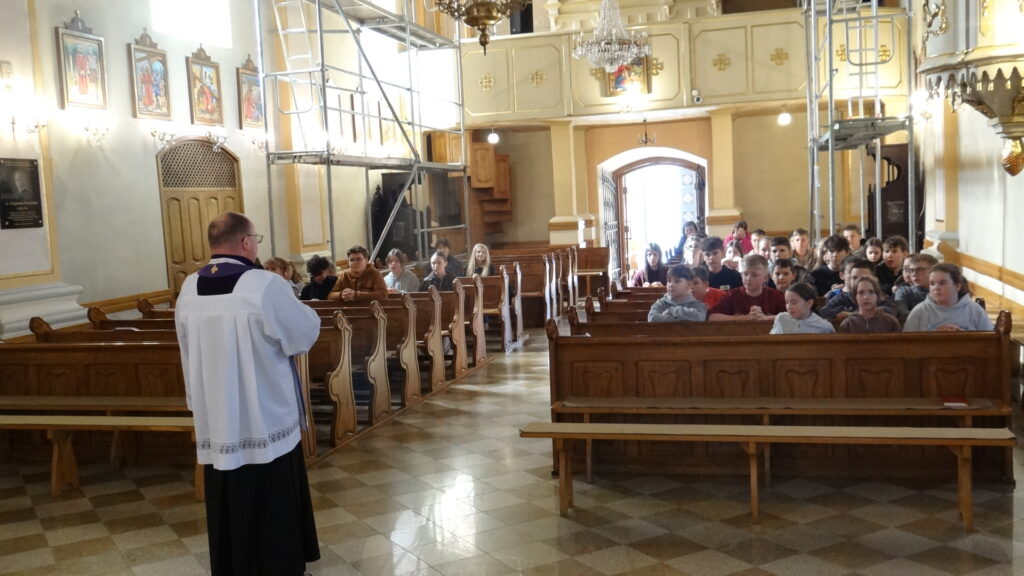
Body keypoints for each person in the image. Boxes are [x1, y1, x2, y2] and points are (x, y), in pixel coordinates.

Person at [174, 212, 320, 576]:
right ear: (245, 242)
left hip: (217, 417)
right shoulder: (264, 284)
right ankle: (279, 565)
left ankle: (234, 565)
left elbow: (186, 349)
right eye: (256, 239)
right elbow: (303, 335)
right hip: (265, 415)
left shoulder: (188, 288)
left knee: (229, 495)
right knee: (273, 497)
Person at [904, 263, 993, 332]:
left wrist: (964, 336)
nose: (936, 288)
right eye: (932, 283)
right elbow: (907, 344)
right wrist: (933, 336)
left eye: (942, 283)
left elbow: (989, 342)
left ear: (957, 286)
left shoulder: (974, 310)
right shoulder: (919, 312)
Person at [708, 254, 786, 321]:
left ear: (765, 278)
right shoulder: (732, 295)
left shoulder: (776, 296)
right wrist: (745, 318)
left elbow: (790, 316)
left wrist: (765, 318)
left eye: (754, 275)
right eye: (745, 274)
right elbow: (712, 317)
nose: (748, 278)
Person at [819, 257, 898, 321]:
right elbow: (824, 312)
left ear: (874, 280)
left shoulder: (880, 297)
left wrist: (853, 314)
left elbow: (892, 310)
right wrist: (841, 310)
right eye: (854, 278)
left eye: (863, 278)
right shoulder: (843, 297)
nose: (858, 281)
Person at [770, 283, 835, 334]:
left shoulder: (824, 326)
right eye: (787, 303)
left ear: (809, 303)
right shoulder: (782, 319)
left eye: (794, 303)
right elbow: (773, 342)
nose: (788, 307)